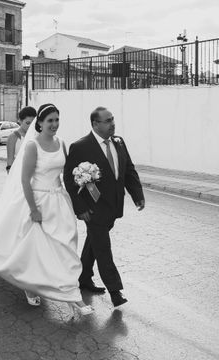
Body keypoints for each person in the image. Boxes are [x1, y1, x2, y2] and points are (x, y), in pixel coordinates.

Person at [0, 104, 94, 317]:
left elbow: (67, 174)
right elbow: (25, 180)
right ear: (39, 123)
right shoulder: (33, 146)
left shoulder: (62, 144)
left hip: (59, 202)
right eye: (49, 120)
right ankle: (36, 287)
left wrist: (84, 177)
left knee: (66, 248)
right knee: (36, 251)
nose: (54, 124)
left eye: (57, 120)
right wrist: (33, 209)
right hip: (39, 201)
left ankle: (70, 293)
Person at [63, 106, 145, 308]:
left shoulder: (119, 142)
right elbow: (69, 180)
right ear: (95, 124)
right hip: (93, 209)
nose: (112, 124)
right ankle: (115, 291)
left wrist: (137, 194)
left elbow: (128, 169)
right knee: (103, 248)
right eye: (107, 121)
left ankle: (82, 277)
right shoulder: (81, 146)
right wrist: (80, 208)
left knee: (94, 242)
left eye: (113, 119)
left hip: (114, 206)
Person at [6, 106, 37, 173]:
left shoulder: (37, 136)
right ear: (20, 121)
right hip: (18, 172)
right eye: (28, 123)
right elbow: (10, 160)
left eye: (33, 124)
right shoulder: (13, 137)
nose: (30, 126)